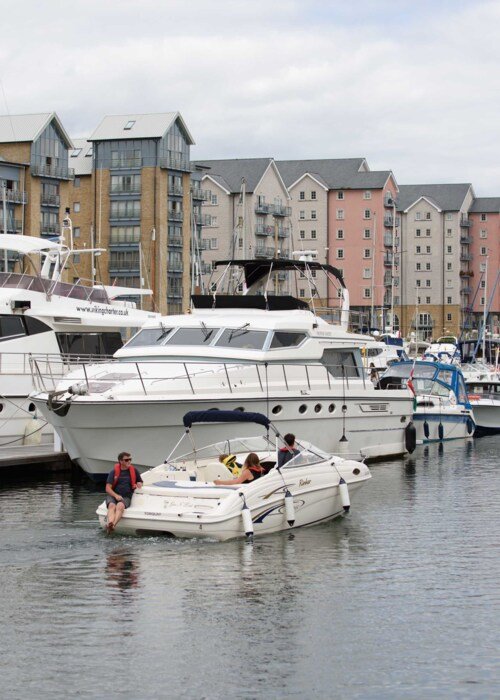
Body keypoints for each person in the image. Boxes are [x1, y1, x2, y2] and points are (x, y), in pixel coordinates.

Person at [105, 451, 143, 533]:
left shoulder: (134, 471)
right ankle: (110, 523)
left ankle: (112, 525)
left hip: (126, 496)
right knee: (111, 505)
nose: (129, 461)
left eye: (130, 459)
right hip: (113, 495)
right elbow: (108, 488)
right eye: (126, 460)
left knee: (120, 505)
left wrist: (139, 483)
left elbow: (140, 481)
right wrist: (116, 496)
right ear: (120, 461)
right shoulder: (113, 472)